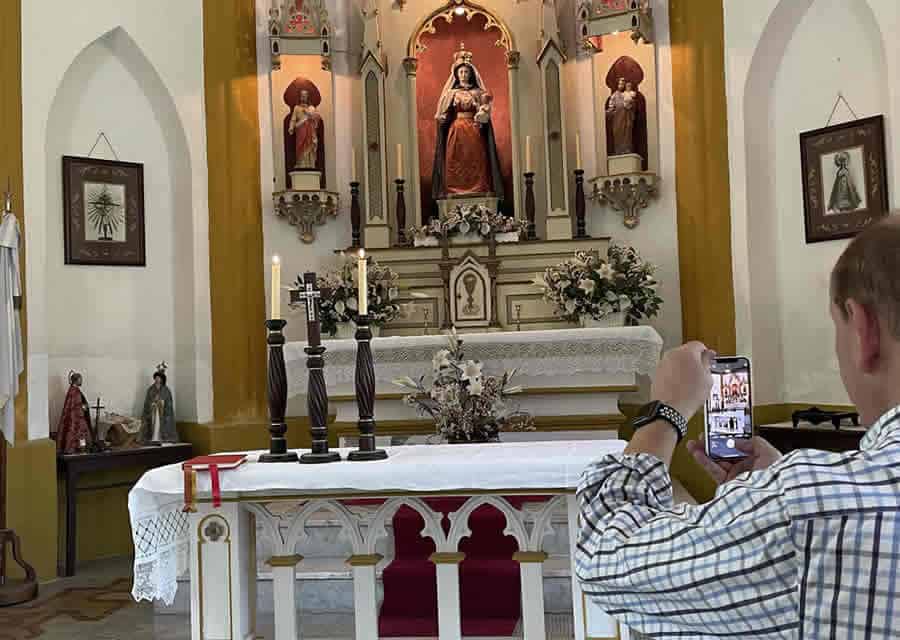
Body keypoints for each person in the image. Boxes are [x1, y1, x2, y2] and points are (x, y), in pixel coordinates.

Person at [576, 215, 900, 638]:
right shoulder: (805, 502)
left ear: (863, 330)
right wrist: (765, 490)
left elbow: (605, 555)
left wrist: (665, 410)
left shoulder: (801, 507)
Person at [432, 46, 505, 202]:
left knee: (477, 160)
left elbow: (484, 111)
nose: (464, 75)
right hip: (456, 131)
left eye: (466, 72)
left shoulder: (478, 93)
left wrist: (483, 113)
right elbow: (442, 114)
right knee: (455, 161)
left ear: (471, 74)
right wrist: (442, 118)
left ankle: (479, 188)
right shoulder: (451, 93)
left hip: (474, 131)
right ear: (456, 75)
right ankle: (454, 190)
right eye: (461, 72)